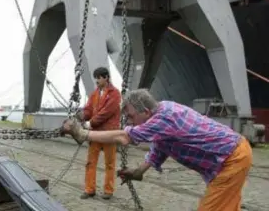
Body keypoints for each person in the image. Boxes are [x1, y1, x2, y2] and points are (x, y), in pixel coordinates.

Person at [62, 89, 252, 210]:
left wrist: (83, 133)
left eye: (130, 116)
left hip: (231, 159)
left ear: (145, 112)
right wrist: (139, 171)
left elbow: (124, 137)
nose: (128, 121)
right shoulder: (164, 110)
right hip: (233, 153)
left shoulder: (163, 119)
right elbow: (160, 148)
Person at [76, 67, 121, 200]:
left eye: (98, 78)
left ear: (106, 77)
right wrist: (82, 115)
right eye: (95, 78)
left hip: (109, 133)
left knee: (110, 163)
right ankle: (89, 189)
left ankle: (108, 190)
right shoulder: (94, 94)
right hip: (95, 133)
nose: (96, 80)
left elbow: (107, 112)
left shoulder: (115, 94)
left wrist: (90, 123)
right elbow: (89, 109)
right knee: (90, 162)